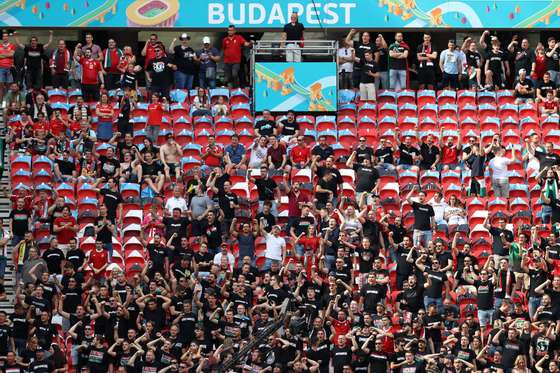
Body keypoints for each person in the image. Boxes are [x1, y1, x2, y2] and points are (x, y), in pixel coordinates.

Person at [0, 31, 16, 103]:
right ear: (2, 38)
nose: (5, 37)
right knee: (1, 86)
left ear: (8, 37)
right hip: (1, 68)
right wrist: (7, 54)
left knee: (9, 87)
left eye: (6, 36)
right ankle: (1, 103)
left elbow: (11, 55)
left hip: (9, 68)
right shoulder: (0, 45)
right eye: (4, 36)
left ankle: (8, 102)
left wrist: (2, 55)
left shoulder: (12, 45)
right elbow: (9, 54)